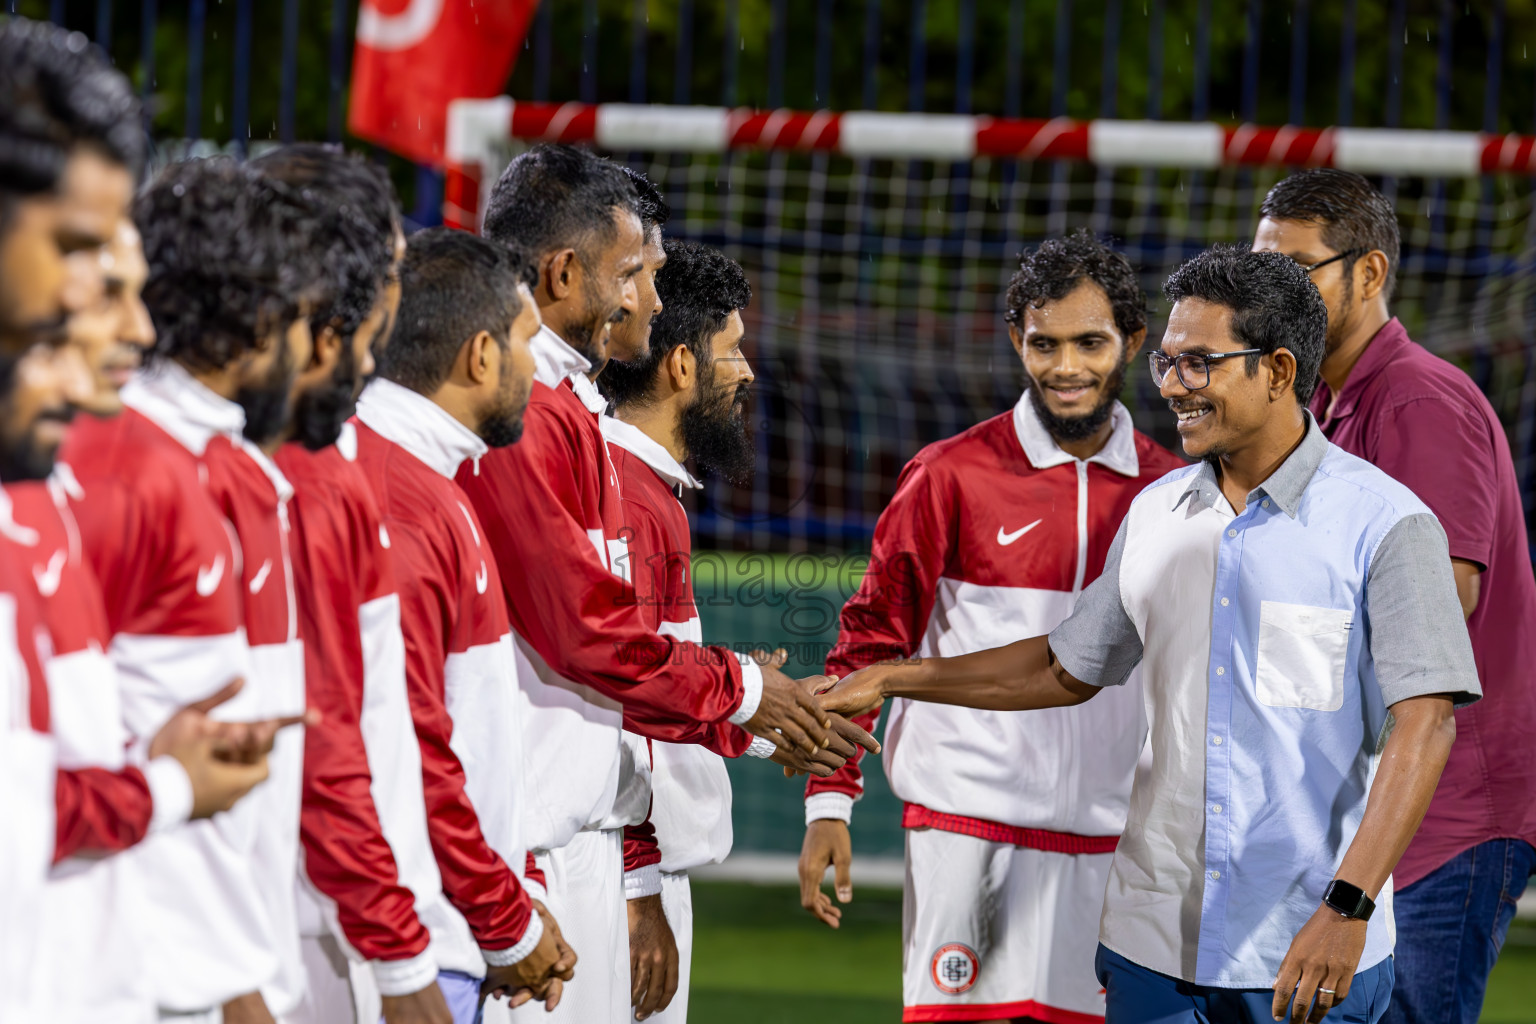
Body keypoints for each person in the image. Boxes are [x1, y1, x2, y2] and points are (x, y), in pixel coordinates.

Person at [820, 246, 1478, 1024]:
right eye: (1167, 361)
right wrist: (896, 678)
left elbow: (1427, 723)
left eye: (1199, 363)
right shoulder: (1158, 510)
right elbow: (1067, 668)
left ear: (1277, 369)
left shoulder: (1388, 523)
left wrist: (1349, 906)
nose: (1171, 385)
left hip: (1305, 944)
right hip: (1151, 947)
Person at [461, 145, 872, 1022]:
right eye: (635, 272)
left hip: (573, 849)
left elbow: (618, 676)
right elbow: (588, 640)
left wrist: (752, 711)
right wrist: (746, 694)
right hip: (544, 857)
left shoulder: (576, 419)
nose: (647, 294)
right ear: (567, 272)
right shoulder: (527, 415)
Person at [796, 231, 1183, 1023]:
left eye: (1090, 343)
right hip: (966, 830)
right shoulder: (948, 475)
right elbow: (872, 641)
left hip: (1117, 845)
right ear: (1017, 340)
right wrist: (829, 803)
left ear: (1133, 343)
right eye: (1044, 344)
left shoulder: (1174, 494)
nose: (1066, 366)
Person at [3, 21, 297, 1021]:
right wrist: (165, 789)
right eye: (81, 252)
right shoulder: (130, 474)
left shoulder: (45, 488)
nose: (124, 321)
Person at [1252, 168, 1536, 1024]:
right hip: (1385, 802)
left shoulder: (1416, 400)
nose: (1271, 291)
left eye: (1294, 269)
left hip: (1447, 812)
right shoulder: (1331, 404)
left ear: (1368, 275)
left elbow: (1439, 603)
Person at [62, 156, 323, 1024]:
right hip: (149, 971)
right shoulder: (135, 466)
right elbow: (154, 749)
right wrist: (233, 986)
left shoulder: (195, 463)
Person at [252, 144, 455, 1024]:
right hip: (311, 928)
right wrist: (402, 959)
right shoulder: (307, 471)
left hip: (323, 911)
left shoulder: (327, 457)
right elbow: (337, 733)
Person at [356, 227, 577, 1020]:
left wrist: (511, 895)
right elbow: (410, 748)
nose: (536, 369)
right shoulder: (399, 502)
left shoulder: (425, 479)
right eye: (527, 344)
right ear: (480, 356)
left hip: (448, 924)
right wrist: (505, 922)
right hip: (409, 946)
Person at [598, 238, 759, 1022]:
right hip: (619, 878)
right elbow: (614, 699)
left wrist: (761, 718)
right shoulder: (625, 494)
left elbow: (661, 691)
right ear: (682, 367)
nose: (748, 371)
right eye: (732, 349)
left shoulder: (645, 489)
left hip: (631, 870)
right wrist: (638, 887)